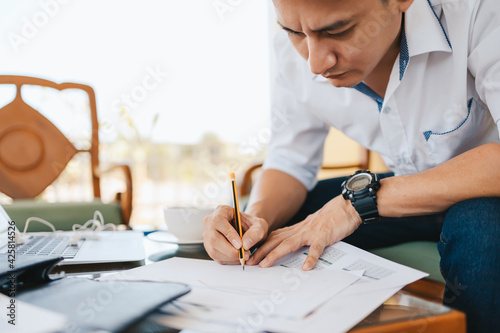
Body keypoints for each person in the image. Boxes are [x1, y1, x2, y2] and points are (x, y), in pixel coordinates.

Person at [203, 0, 500, 331]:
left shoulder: (479, 13)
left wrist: (353, 207)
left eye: (337, 30)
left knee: (482, 224)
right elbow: (289, 160)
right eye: (294, 32)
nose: (316, 63)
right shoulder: (292, 58)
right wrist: (254, 220)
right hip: (406, 193)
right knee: (282, 223)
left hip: (485, 194)